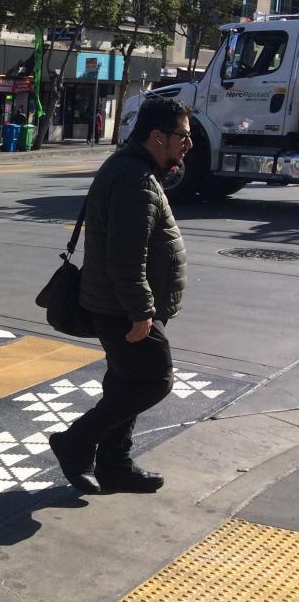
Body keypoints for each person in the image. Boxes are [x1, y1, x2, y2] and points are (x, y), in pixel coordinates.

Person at [48, 96, 189, 495]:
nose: (188, 145)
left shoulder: (134, 168)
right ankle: (76, 441)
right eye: (183, 137)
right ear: (157, 137)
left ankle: (115, 465)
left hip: (117, 303)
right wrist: (142, 312)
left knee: (126, 383)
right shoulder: (134, 180)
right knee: (154, 380)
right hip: (122, 307)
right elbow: (126, 258)